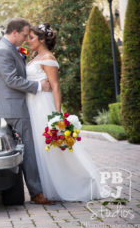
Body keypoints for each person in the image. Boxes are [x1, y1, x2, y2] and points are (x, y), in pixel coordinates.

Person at [26, 23, 102, 201]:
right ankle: (48, 186)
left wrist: (57, 116)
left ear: (42, 39)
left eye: (31, 37)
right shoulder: (34, 57)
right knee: (41, 148)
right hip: (32, 105)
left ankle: (83, 183)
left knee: (55, 148)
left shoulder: (49, 58)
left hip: (43, 106)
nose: (28, 41)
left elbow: (56, 87)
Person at [0, 17, 54, 205]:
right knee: (29, 150)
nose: (26, 39)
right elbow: (12, 80)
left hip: (17, 106)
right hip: (14, 108)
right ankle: (36, 193)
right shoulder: (3, 51)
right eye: (25, 35)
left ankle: (36, 190)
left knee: (28, 148)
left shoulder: (10, 49)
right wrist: (38, 86)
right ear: (15, 33)